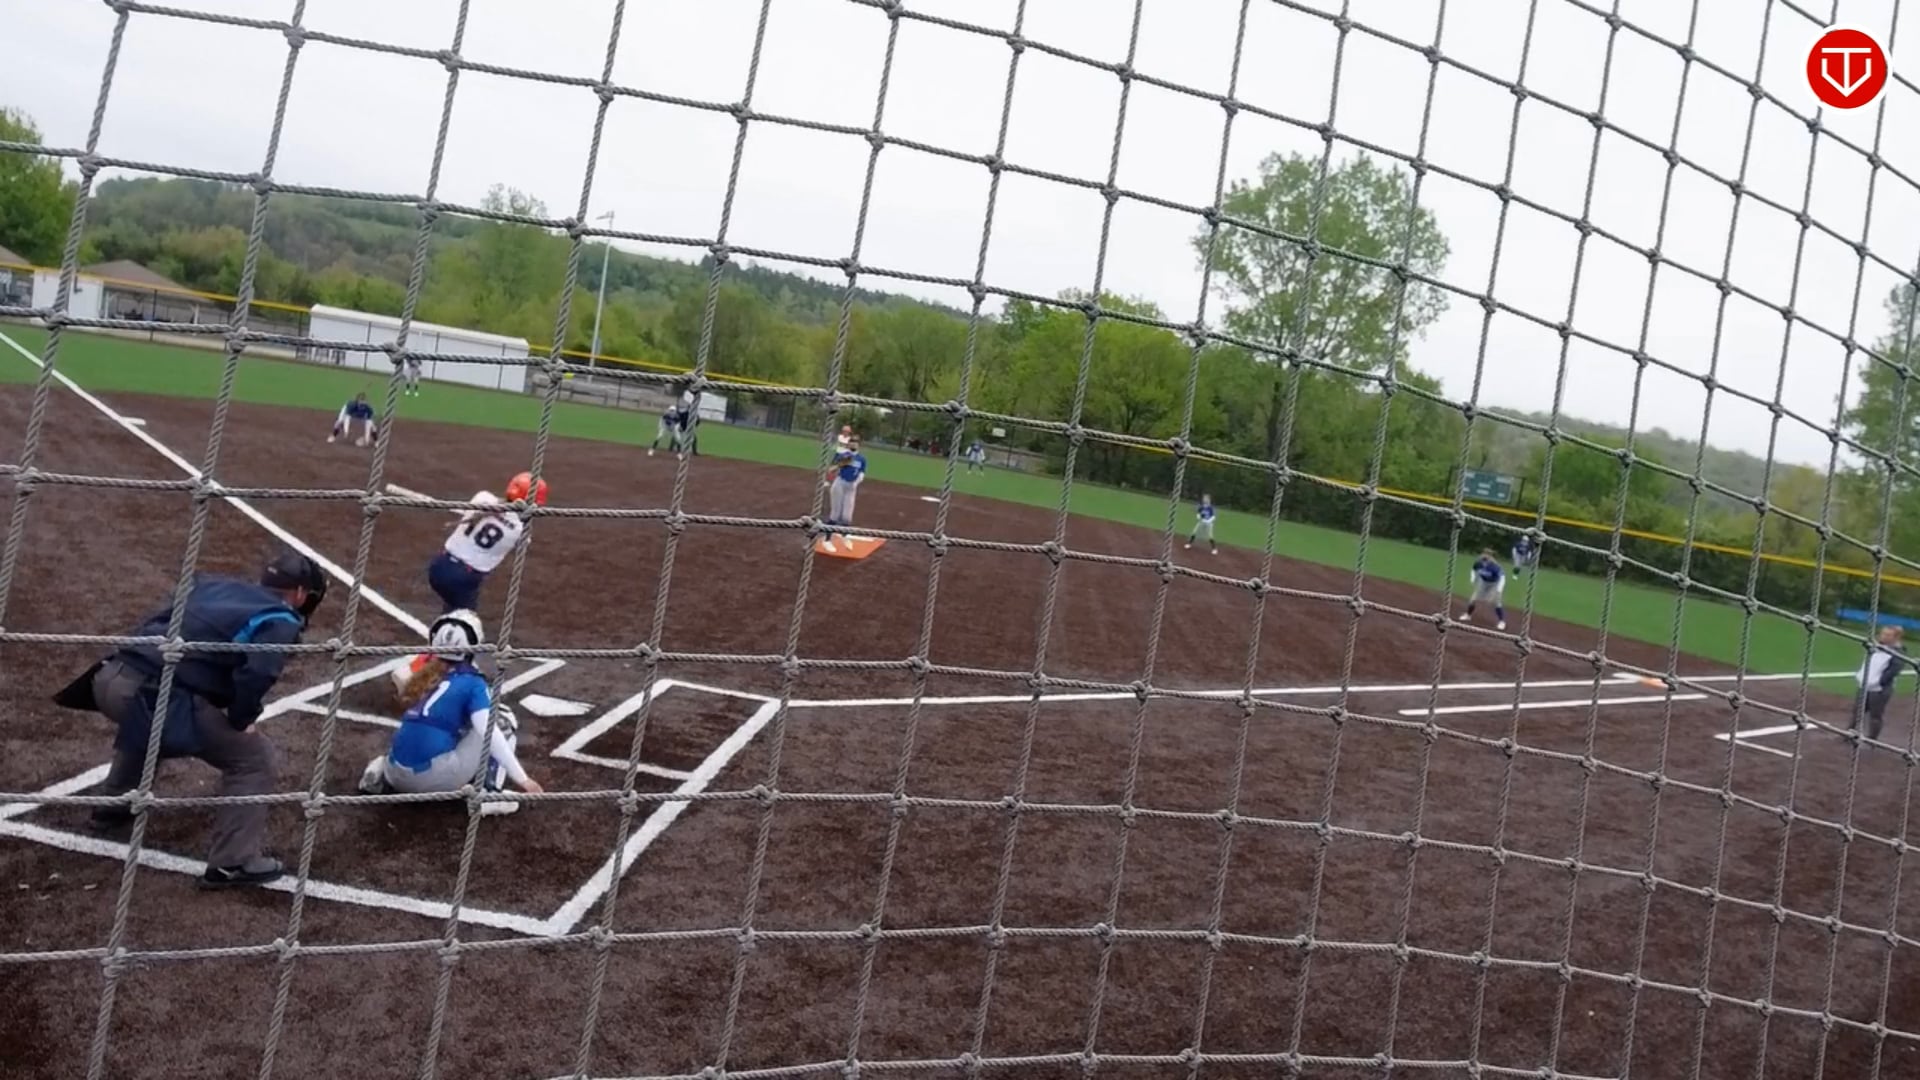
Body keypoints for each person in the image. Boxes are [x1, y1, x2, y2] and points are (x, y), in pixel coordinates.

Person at [50, 548, 330, 889]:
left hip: (107, 676)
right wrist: (242, 719)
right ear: (300, 593)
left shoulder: (216, 586)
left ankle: (115, 804)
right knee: (254, 759)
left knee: (151, 720)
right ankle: (233, 863)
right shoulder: (280, 617)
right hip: (150, 694)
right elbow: (258, 673)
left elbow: (165, 615)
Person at [360, 609, 543, 815]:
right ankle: (490, 793)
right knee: (501, 720)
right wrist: (523, 779)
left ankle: (378, 773)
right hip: (429, 780)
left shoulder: (424, 677)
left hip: (394, 773)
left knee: (429, 729)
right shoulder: (472, 683)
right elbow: (488, 731)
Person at [425, 471, 549, 615]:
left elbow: (491, 509)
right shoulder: (519, 530)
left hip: (440, 565)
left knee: (452, 608)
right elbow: (524, 541)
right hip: (464, 579)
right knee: (465, 620)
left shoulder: (482, 497)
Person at [1852, 625, 1909, 742]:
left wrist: (1878, 682)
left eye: (1888, 635)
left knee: (1875, 715)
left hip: (1880, 690)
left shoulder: (1898, 653)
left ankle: (1872, 740)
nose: (1883, 636)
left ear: (1896, 638)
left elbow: (1893, 671)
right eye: (1883, 634)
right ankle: (1850, 733)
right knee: (1857, 711)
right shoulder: (1876, 646)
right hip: (1865, 685)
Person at [822, 434, 867, 554]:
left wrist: (856, 482)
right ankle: (827, 540)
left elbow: (862, 473)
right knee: (835, 514)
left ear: (859, 445)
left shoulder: (861, 459)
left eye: (856, 442)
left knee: (847, 516)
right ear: (849, 443)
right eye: (852, 441)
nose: (853, 443)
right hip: (840, 484)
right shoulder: (842, 455)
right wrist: (840, 464)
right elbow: (830, 470)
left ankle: (845, 535)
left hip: (851, 487)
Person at [1457, 548, 1507, 631]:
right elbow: (1473, 569)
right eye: (1484, 554)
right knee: (1473, 599)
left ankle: (1501, 621)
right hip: (1483, 582)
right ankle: (1468, 615)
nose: (1485, 557)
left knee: (1496, 602)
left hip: (1494, 584)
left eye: (1488, 555)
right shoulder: (1479, 563)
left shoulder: (1495, 566)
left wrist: (1499, 588)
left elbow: (1502, 577)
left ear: (1491, 557)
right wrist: (1473, 578)